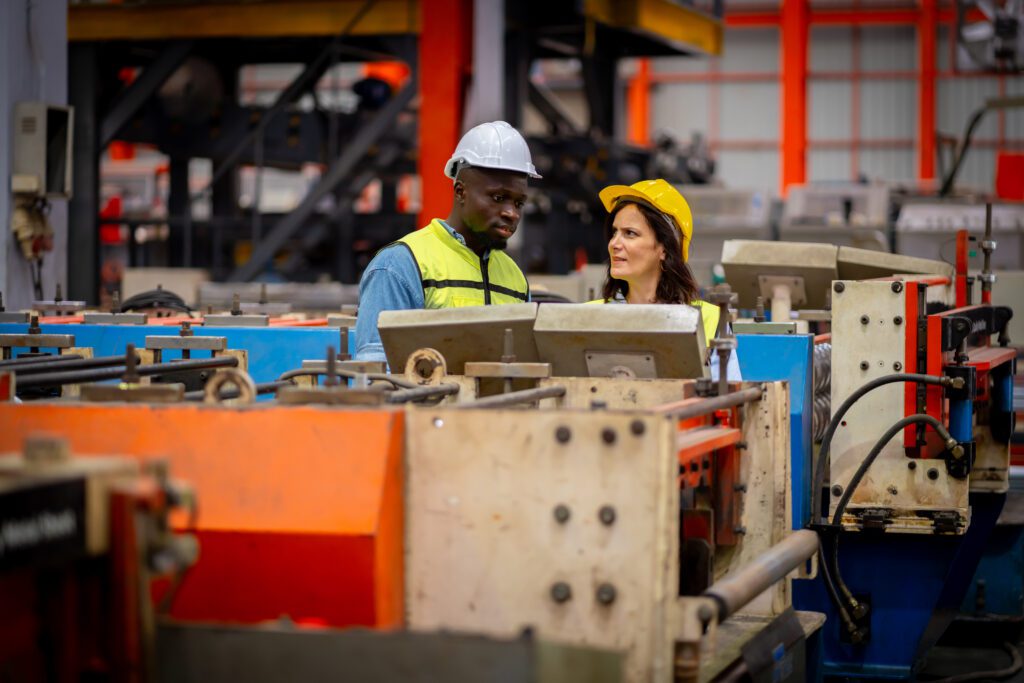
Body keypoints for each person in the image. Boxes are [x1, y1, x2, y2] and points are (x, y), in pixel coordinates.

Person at [354, 121, 540, 361]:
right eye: (498, 197)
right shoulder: (400, 265)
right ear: (461, 192)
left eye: (518, 203)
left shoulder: (515, 278)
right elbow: (376, 372)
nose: (511, 213)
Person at [593, 179, 742, 380]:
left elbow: (729, 401)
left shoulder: (710, 321)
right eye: (614, 232)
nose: (614, 244)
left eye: (630, 233)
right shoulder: (589, 315)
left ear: (664, 249)